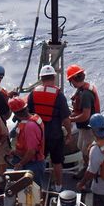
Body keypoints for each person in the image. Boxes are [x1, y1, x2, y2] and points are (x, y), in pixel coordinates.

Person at [27, 63, 71, 191]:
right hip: (55, 135)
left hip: (39, 135)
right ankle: (58, 187)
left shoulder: (33, 94)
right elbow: (66, 118)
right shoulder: (59, 95)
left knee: (38, 161)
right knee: (57, 162)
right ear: (54, 77)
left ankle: (36, 187)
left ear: (41, 78)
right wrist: (68, 133)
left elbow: (28, 114)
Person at [66, 63, 100, 170]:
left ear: (72, 80)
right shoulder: (81, 90)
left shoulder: (85, 94)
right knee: (81, 146)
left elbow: (85, 116)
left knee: (87, 150)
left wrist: (71, 120)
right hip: (83, 128)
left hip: (89, 129)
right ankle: (86, 167)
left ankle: (89, 171)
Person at [7, 96, 46, 186]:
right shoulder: (34, 118)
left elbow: (31, 151)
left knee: (33, 193)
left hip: (33, 164)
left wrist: (20, 164)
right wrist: (15, 152)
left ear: (15, 114)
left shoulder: (29, 126)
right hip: (31, 161)